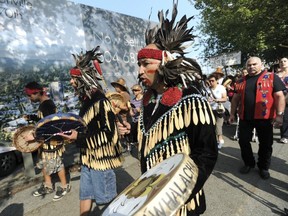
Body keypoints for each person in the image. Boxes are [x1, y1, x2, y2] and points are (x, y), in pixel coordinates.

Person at [117, 3, 218, 215]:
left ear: (164, 63)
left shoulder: (191, 100)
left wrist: (182, 192)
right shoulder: (148, 100)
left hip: (183, 199)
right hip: (152, 195)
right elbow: (154, 135)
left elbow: (206, 153)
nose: (140, 71)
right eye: (139, 65)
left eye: (145, 64)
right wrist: (132, 130)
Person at [60, 46, 123, 216]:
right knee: (85, 195)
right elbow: (87, 127)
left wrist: (78, 137)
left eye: (74, 79)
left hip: (102, 160)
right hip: (88, 158)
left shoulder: (100, 100)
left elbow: (110, 133)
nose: (71, 82)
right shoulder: (86, 101)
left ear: (84, 79)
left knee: (108, 202)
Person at [229, 57, 286, 179]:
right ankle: (249, 163)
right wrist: (232, 114)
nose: (251, 67)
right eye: (249, 65)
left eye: (255, 64)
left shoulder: (271, 77)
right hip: (245, 117)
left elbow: (279, 96)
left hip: (264, 118)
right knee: (243, 141)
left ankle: (263, 167)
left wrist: (280, 115)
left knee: (265, 144)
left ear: (261, 64)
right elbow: (235, 99)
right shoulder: (240, 81)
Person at [24, 81, 71, 201]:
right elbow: (42, 119)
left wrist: (34, 137)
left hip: (52, 140)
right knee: (44, 163)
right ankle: (48, 185)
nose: (29, 98)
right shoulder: (43, 104)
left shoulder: (47, 105)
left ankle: (65, 186)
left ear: (37, 93)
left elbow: (51, 126)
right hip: (45, 141)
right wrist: (31, 117)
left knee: (57, 163)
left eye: (30, 95)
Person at [206, 74, 227, 149]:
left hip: (219, 109)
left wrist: (217, 100)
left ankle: (220, 140)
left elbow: (225, 98)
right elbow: (206, 98)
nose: (211, 82)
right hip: (210, 110)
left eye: (213, 81)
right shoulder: (207, 89)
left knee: (218, 125)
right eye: (210, 81)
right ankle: (213, 141)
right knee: (211, 126)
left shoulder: (221, 88)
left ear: (216, 81)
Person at [275, 57, 288, 144]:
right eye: (281, 62)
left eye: (285, 61)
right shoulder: (276, 75)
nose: (283, 63)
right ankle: (284, 136)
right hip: (280, 98)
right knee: (283, 116)